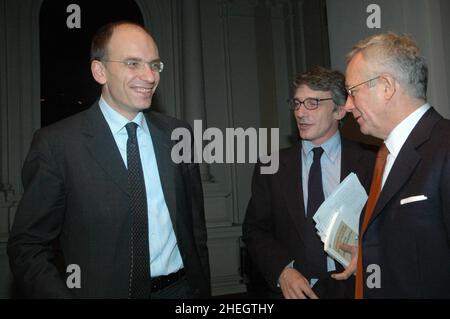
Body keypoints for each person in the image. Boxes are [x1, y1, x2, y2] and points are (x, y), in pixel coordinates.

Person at [7, 21, 211, 299]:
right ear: (99, 70)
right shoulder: (57, 145)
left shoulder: (178, 134)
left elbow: (195, 228)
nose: (149, 76)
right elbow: (27, 247)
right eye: (132, 63)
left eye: (154, 65)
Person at [242, 66, 375, 299]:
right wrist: (282, 271)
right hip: (293, 290)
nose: (300, 113)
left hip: (355, 287)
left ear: (339, 110)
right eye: (296, 103)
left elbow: (388, 228)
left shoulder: (372, 162)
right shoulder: (270, 165)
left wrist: (368, 255)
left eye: (312, 103)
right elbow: (255, 230)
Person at [334, 32, 450, 298]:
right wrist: (370, 255)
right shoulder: (384, 155)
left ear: (386, 85)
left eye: (352, 92)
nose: (348, 106)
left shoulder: (445, 147)